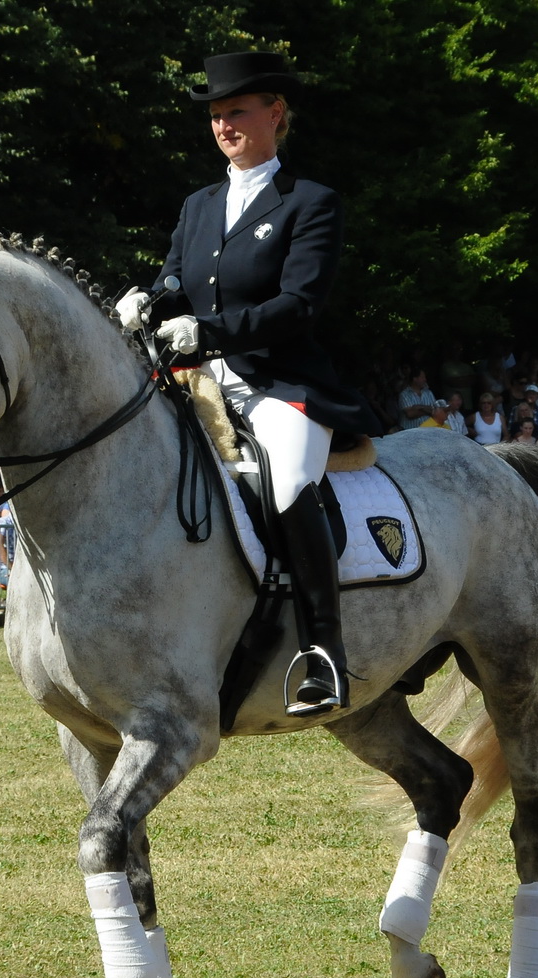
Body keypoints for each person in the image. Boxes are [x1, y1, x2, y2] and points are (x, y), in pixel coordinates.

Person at [117, 52, 381, 715]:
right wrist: (145, 304)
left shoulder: (310, 202)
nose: (223, 124)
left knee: (289, 482)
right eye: (214, 115)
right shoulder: (198, 204)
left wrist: (209, 333)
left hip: (280, 381)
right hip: (198, 380)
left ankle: (324, 652)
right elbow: (175, 281)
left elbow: (300, 303)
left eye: (235, 111)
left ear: (274, 115)